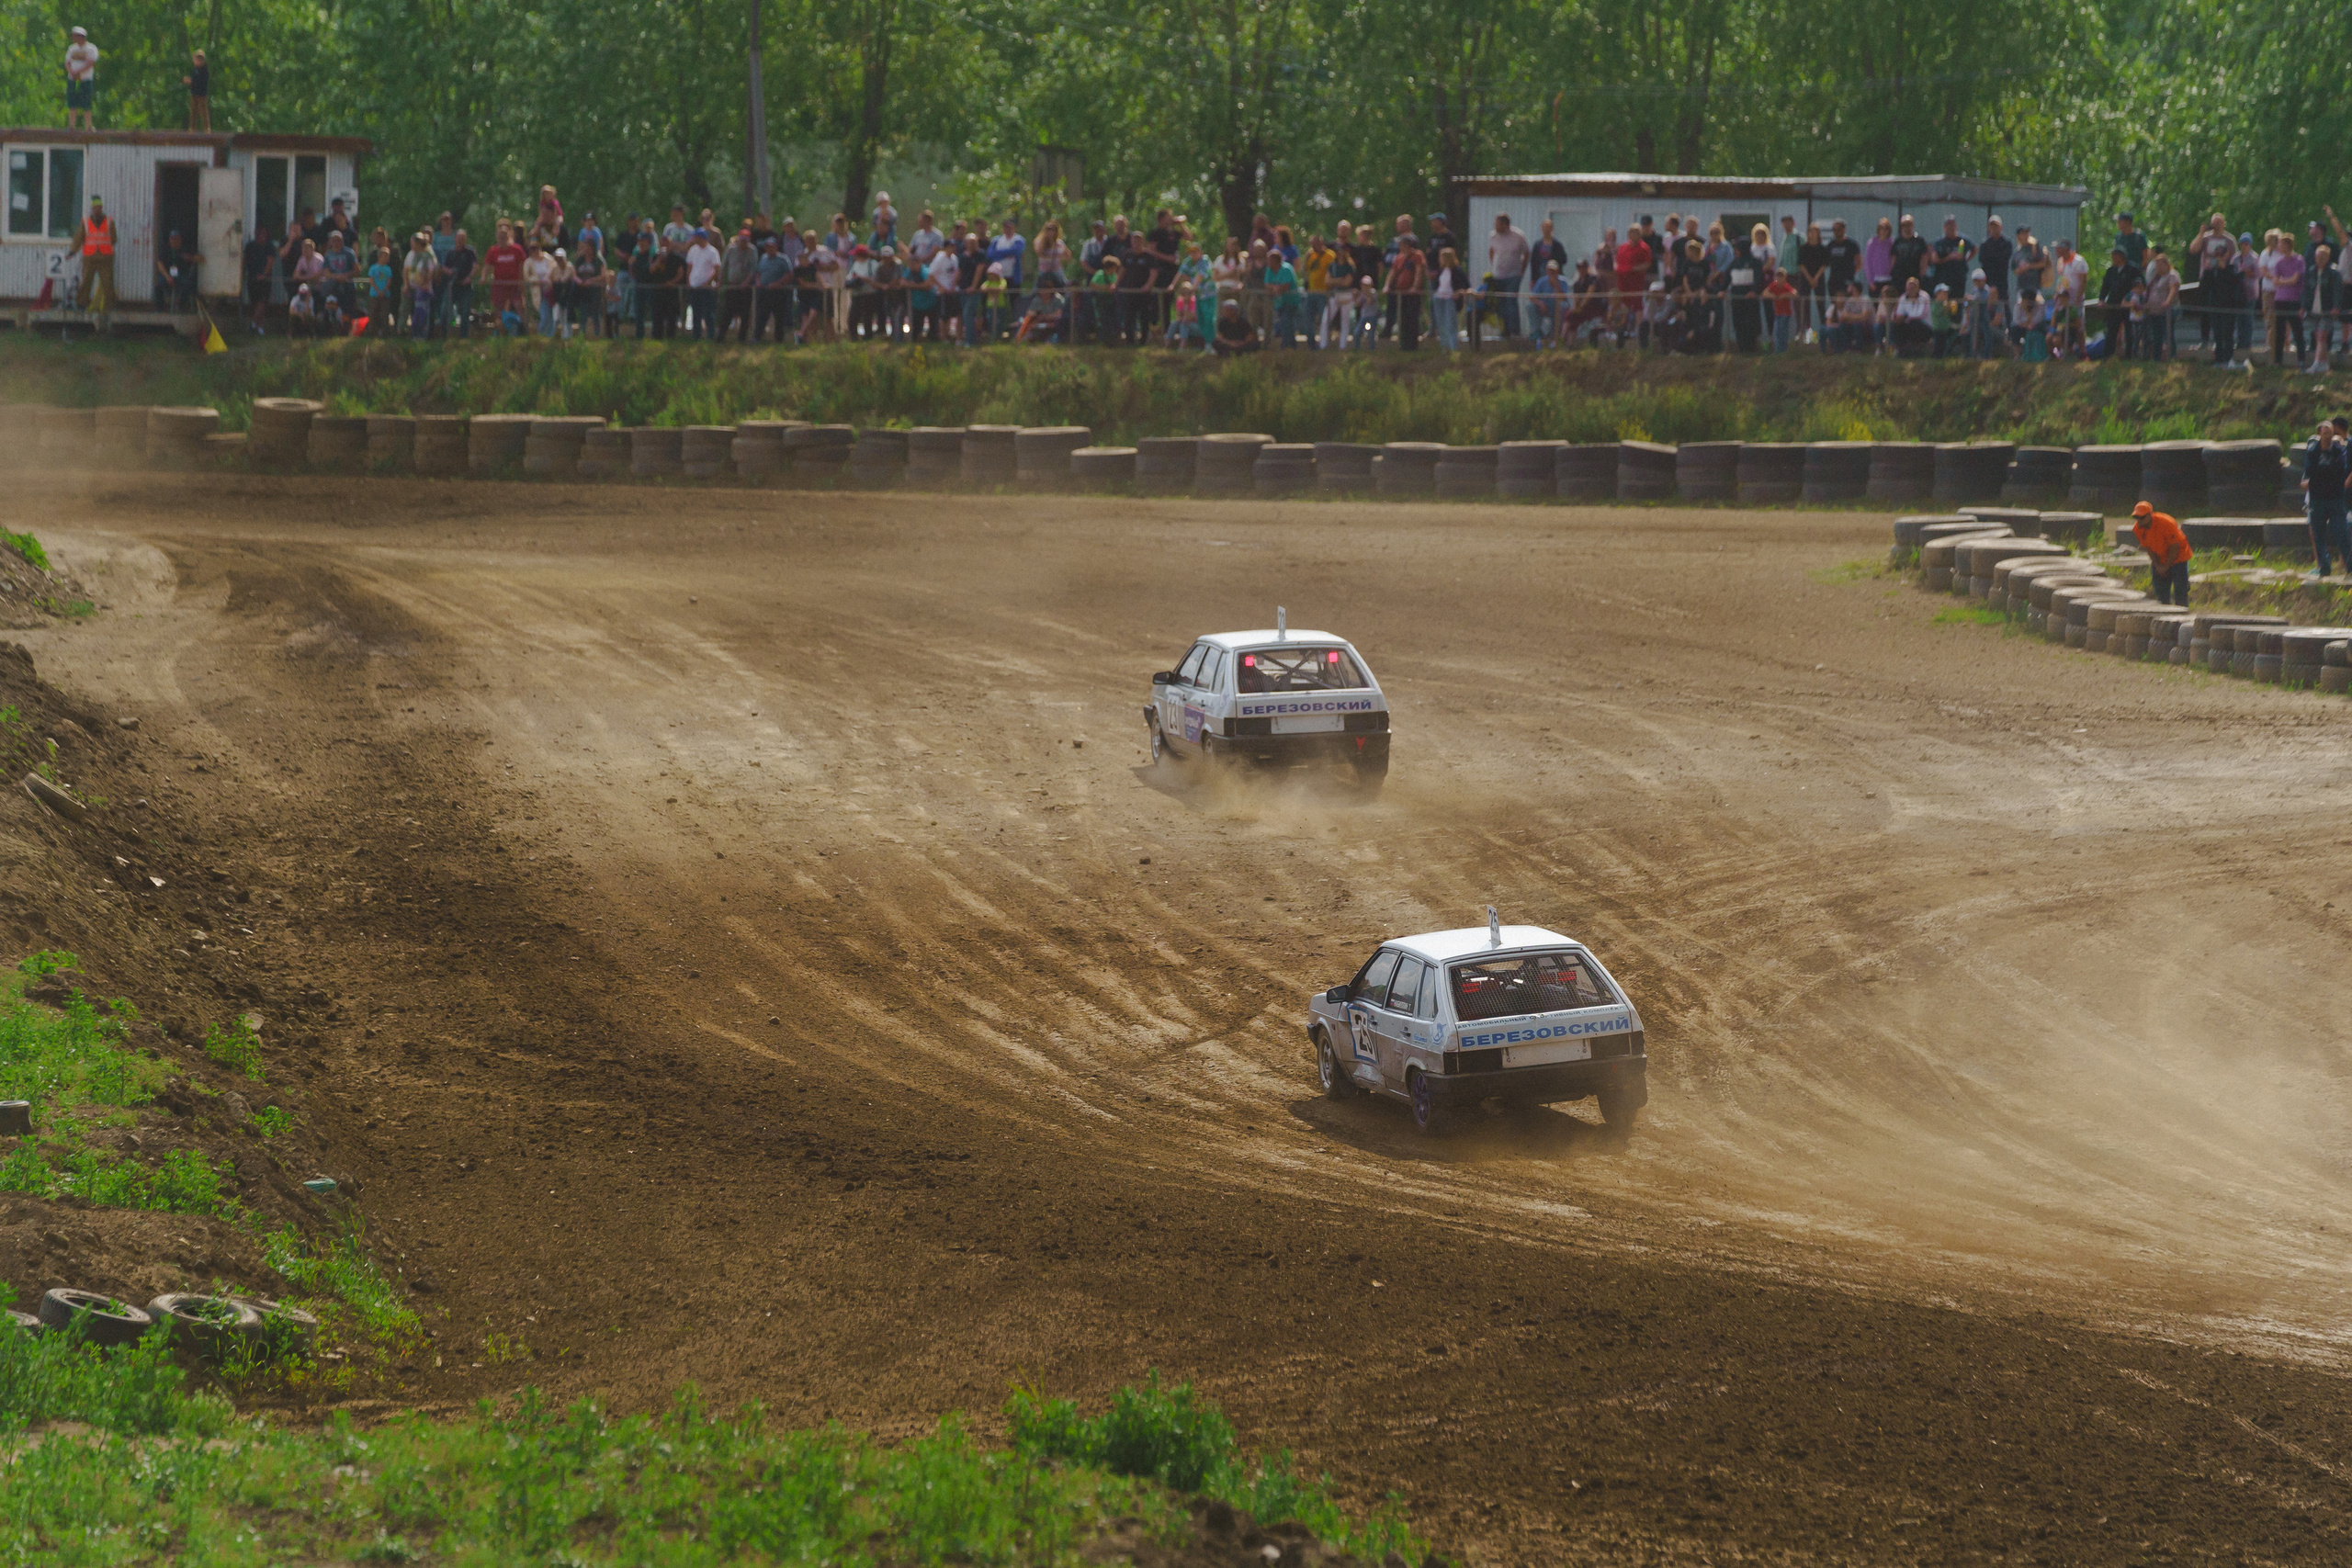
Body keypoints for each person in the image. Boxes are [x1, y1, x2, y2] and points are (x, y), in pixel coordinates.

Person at [2303, 421, 2350, 577]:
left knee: (2341, 532)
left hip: (2335, 499)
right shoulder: (2312, 451)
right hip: (2318, 499)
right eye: (2324, 434)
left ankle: (2350, 567)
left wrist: (2320, 477)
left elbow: (2340, 470)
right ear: (2319, 435)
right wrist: (2321, 477)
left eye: (2330, 433)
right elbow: (2309, 472)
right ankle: (2324, 568)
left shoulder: (2338, 450)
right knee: (2318, 534)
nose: (2327, 436)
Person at [2131, 502, 2194, 604]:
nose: (2139, 521)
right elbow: (2149, 549)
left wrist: (2166, 566)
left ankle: (2182, 615)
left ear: (2150, 515)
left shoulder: (2166, 523)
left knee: (2180, 593)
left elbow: (2175, 547)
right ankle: (2164, 615)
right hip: (2160, 559)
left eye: (2142, 517)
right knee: (2161, 594)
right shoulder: (2137, 529)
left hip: (2178, 558)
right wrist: (2158, 566)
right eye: (2136, 517)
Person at [1487, 213, 1529, 339]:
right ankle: (1504, 331)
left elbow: (1526, 253)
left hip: (1513, 275)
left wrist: (1522, 271)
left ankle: (1515, 331)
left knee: (1511, 302)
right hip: (1498, 276)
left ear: (1505, 225)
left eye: (1498, 224)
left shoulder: (1518, 236)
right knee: (1501, 304)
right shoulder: (1493, 236)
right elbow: (1491, 251)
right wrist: (1494, 266)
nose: (1495, 226)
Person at [74, 196, 114, 311]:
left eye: (99, 207)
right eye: (95, 207)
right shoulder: (85, 222)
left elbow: (114, 238)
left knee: (107, 283)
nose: (97, 209)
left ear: (101, 208)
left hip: (105, 257)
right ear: (92, 209)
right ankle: (82, 304)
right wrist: (72, 251)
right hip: (89, 256)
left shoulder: (109, 221)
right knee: (86, 281)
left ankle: (107, 307)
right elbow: (78, 237)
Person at [1388, 233, 1427, 350]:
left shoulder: (1417, 256)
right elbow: (1393, 272)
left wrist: (1415, 287)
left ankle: (1412, 346)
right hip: (1401, 293)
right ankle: (1403, 345)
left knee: (1412, 319)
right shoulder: (1399, 257)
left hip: (1412, 294)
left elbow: (1419, 272)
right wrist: (1387, 286)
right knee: (1402, 319)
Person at [485, 220, 526, 329]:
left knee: (519, 307)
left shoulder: (516, 249)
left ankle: (524, 330)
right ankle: (500, 331)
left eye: (504, 235)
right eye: (500, 235)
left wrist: (521, 281)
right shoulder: (493, 251)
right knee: (498, 310)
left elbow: (522, 265)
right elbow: (487, 266)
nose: (502, 238)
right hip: (499, 285)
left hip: (514, 284)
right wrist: (484, 277)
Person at [721, 225, 758, 343]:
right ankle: (721, 337)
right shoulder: (731, 249)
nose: (743, 243)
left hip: (745, 287)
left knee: (745, 313)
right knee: (728, 311)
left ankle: (742, 339)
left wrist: (746, 283)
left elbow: (753, 269)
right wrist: (720, 280)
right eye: (742, 240)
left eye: (745, 241)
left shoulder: (752, 251)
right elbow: (724, 266)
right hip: (732, 285)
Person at [684, 227, 721, 340]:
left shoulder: (712, 251)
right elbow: (689, 266)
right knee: (696, 313)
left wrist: (708, 282)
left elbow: (717, 269)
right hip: (694, 286)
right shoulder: (693, 250)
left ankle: (711, 336)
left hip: (707, 288)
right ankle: (696, 336)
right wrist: (688, 281)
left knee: (709, 313)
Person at [2141, 249, 2177, 362]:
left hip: (2167, 310)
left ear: (2166, 264)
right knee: (2156, 335)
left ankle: (2172, 357)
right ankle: (2157, 358)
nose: (2158, 267)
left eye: (2160, 264)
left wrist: (2167, 302)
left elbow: (2173, 289)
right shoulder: (2156, 277)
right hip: (2154, 311)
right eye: (2156, 265)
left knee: (2168, 334)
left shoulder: (2172, 275)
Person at [1889, 276, 1932, 356]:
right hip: (1909, 324)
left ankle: (1915, 351)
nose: (1911, 290)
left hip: (1925, 327)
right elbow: (1899, 313)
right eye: (1909, 288)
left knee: (1914, 323)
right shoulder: (1903, 298)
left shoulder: (1924, 297)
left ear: (1918, 288)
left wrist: (1905, 318)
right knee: (1895, 325)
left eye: (1913, 287)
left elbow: (1920, 315)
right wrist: (1898, 318)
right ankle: (1898, 350)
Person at [63, 26, 97, 129]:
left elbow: (90, 63)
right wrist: (72, 73)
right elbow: (67, 62)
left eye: (75, 36)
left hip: (85, 80)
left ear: (81, 36)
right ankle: (71, 126)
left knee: (86, 103)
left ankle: (88, 126)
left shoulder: (91, 48)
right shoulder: (72, 48)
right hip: (73, 79)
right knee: (72, 102)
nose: (73, 38)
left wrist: (78, 72)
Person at [446, 229, 477, 338]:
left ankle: (464, 336)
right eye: (459, 239)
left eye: (463, 239)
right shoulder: (451, 253)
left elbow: (475, 266)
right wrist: (449, 271)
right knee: (448, 311)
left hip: (466, 286)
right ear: (455, 239)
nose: (461, 241)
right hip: (454, 286)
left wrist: (469, 277)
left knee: (465, 312)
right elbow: (444, 267)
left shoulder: (470, 252)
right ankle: (448, 335)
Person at [1763, 265, 1796, 351]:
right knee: (1777, 332)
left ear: (1785, 277)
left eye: (1781, 276)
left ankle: (1782, 350)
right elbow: (1765, 293)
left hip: (1786, 313)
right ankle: (1778, 350)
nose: (1779, 278)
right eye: (1778, 276)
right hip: (1777, 313)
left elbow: (1794, 293)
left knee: (1783, 332)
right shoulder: (1774, 285)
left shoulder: (1786, 286)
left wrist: (1784, 295)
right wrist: (1773, 296)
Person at [181, 48, 209, 131]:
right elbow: (193, 78)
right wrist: (189, 81)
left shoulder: (204, 70)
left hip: (202, 94)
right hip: (194, 93)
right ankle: (192, 128)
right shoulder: (194, 69)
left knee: (203, 111)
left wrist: (192, 81)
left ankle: (206, 128)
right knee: (193, 111)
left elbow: (201, 80)